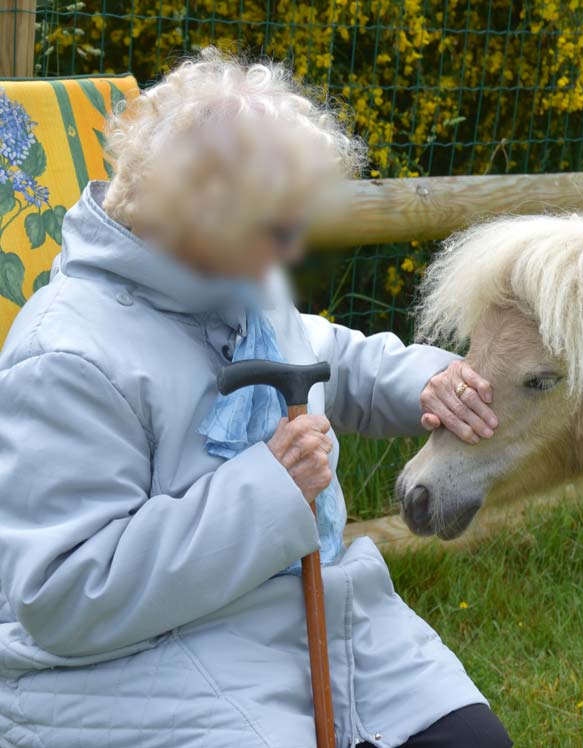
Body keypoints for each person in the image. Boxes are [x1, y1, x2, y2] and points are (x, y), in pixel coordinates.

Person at [0, 49, 512, 748]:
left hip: (311, 613)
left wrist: (427, 382)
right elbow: (62, 596)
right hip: (136, 662)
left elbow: (331, 357)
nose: (289, 246)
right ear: (192, 215)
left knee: (471, 741)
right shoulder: (67, 356)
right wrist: (269, 490)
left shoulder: (232, 285)